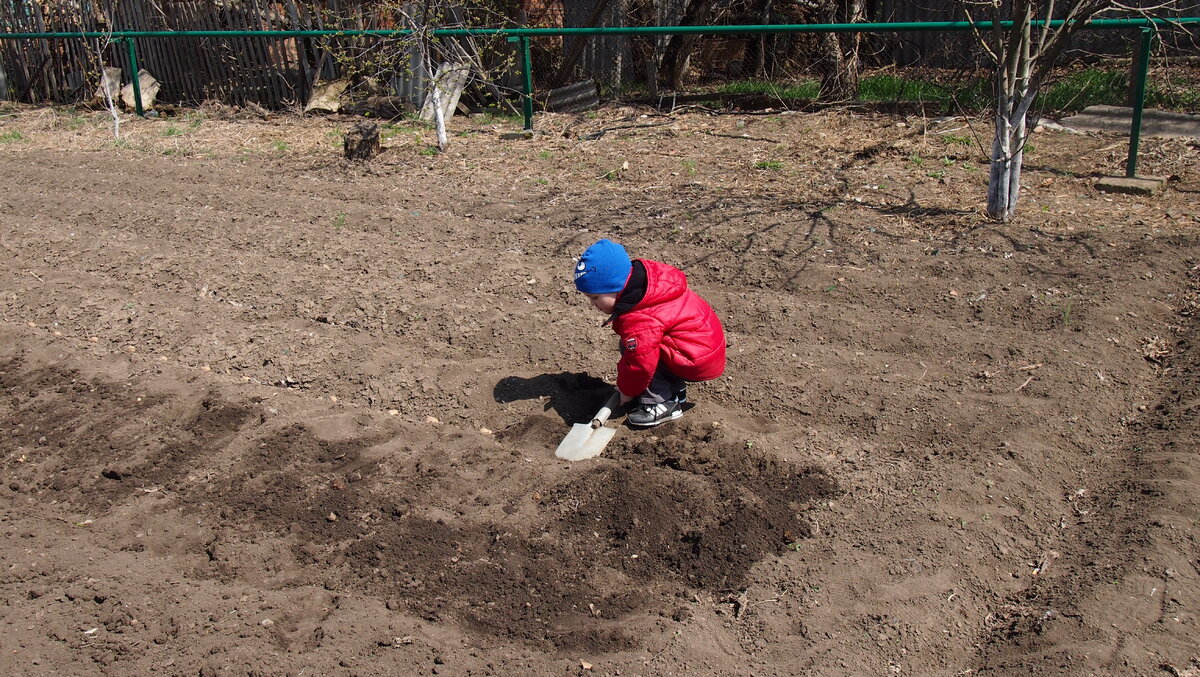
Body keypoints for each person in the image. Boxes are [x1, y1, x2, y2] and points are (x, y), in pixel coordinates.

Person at [572, 238, 726, 427]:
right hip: (700, 348)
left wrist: (627, 389)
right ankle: (674, 393)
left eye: (595, 297)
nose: (592, 304)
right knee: (647, 345)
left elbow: (640, 364)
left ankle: (660, 404)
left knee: (638, 350)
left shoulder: (640, 318)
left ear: (615, 286)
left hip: (696, 359)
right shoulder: (648, 287)